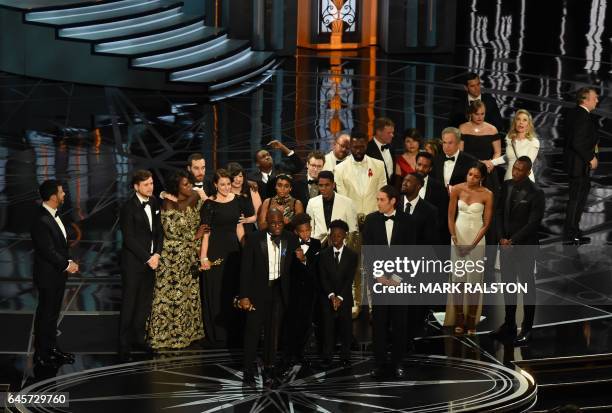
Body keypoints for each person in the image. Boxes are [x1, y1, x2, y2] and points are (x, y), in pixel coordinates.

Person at [238, 208, 300, 386]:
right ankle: (248, 370)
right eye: (273, 223)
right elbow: (245, 269)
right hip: (257, 292)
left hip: (279, 291)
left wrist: (302, 260)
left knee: (273, 333)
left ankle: (269, 367)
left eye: (280, 223)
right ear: (266, 222)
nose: (277, 226)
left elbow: (296, 267)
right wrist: (244, 296)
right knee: (253, 332)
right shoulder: (254, 239)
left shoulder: (291, 238)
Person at [148, 170, 204, 349]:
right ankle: (166, 338)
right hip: (173, 259)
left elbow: (205, 211)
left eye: (190, 183)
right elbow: (172, 234)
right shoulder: (167, 205)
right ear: (176, 187)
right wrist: (196, 236)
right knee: (172, 298)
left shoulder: (195, 197)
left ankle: (188, 333)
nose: (189, 187)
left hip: (189, 257)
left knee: (189, 296)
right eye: (185, 185)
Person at [363, 185, 414, 379]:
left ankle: (398, 362)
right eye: (377, 199)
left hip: (400, 282)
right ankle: (379, 363)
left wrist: (397, 279)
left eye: (381, 200)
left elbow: (412, 253)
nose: (378, 203)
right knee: (379, 324)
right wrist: (379, 277)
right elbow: (368, 252)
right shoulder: (371, 220)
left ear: (393, 201)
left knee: (400, 324)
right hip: (378, 281)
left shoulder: (408, 222)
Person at [492, 157, 545, 346]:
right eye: (514, 168)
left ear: (528, 171)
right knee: (508, 286)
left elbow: (533, 223)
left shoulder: (536, 193)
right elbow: (498, 213)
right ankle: (509, 324)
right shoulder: (506, 186)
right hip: (505, 246)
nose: (515, 172)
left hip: (524, 248)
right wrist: (501, 238)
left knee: (527, 288)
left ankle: (527, 329)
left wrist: (512, 241)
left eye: (520, 170)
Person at [334, 130, 387, 318]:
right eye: (354, 146)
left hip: (374, 222)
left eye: (361, 146)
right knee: (353, 265)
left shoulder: (379, 165)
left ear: (366, 145)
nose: (358, 149)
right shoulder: (340, 169)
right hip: (352, 224)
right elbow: (341, 198)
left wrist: (375, 218)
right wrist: (353, 220)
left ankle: (373, 305)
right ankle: (355, 303)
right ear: (350, 147)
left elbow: (383, 195)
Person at [199, 169, 251, 346]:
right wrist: (203, 257)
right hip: (215, 251)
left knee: (232, 289)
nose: (226, 187)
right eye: (222, 184)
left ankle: (234, 332)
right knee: (216, 291)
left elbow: (239, 228)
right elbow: (206, 233)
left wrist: (246, 250)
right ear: (215, 185)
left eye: (229, 184)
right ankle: (217, 333)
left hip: (233, 252)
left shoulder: (238, 201)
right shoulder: (209, 204)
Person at [31, 180, 79, 367]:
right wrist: (67, 264)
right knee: (45, 315)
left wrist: (67, 263)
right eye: (61, 192)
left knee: (52, 314)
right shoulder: (41, 220)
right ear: (53, 197)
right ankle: (41, 354)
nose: (64, 194)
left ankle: (52, 349)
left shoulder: (55, 215)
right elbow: (47, 250)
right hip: (48, 276)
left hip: (57, 274)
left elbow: (60, 245)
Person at [118, 170, 164, 362]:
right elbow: (129, 239)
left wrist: (158, 254)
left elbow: (159, 231)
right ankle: (123, 345)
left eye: (152, 183)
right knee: (130, 303)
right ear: (136, 187)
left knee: (144, 303)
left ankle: (138, 339)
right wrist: (148, 257)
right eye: (146, 184)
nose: (150, 187)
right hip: (134, 263)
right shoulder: (128, 208)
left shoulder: (154, 202)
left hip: (151, 262)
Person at [444, 163, 493, 335]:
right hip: (458, 236)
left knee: (473, 281)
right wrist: (455, 238)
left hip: (477, 240)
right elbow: (450, 216)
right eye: (470, 174)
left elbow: (486, 223)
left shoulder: (487, 194)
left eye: (476, 176)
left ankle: (472, 318)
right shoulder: (457, 189)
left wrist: (472, 245)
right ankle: (459, 317)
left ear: (482, 178)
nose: (471, 178)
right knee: (458, 280)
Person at [319, 219, 358, 368]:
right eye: (333, 235)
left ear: (345, 236)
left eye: (339, 236)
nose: (336, 239)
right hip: (328, 298)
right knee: (328, 328)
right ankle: (327, 355)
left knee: (346, 328)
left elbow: (349, 278)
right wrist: (331, 295)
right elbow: (323, 277)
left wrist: (340, 297)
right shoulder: (323, 255)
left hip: (344, 298)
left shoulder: (352, 255)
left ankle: (345, 355)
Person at [562, 87, 599, 245]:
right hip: (579, 165)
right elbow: (577, 142)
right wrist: (590, 157)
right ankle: (571, 233)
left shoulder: (575, 113)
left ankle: (574, 230)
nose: (597, 100)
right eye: (595, 98)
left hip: (576, 165)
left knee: (577, 199)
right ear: (585, 99)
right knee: (576, 200)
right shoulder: (582, 116)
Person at [286, 213, 322, 365]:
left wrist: (304, 260)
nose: (306, 233)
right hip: (292, 291)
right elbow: (287, 267)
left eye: (308, 230)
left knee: (306, 322)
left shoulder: (317, 244)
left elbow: (316, 268)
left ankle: (301, 353)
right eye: (302, 231)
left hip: (310, 291)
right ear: (296, 232)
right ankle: (289, 353)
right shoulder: (290, 243)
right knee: (292, 322)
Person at [306, 170, 357, 244]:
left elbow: (353, 230)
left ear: (333, 185)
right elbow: (310, 228)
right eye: (321, 185)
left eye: (327, 185)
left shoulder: (347, 203)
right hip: (319, 246)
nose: (323, 188)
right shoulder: (312, 202)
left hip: (341, 246)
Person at [490, 109, 540, 182]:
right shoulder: (509, 138)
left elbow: (525, 164)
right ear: (515, 122)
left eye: (524, 120)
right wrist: (491, 162)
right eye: (518, 119)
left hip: (524, 182)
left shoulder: (534, 142)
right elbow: (509, 157)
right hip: (508, 179)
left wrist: (514, 145)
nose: (521, 122)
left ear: (528, 125)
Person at [459, 101, 501, 176]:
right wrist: (478, 163)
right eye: (477, 114)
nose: (480, 117)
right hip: (467, 168)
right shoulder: (462, 128)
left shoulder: (492, 130)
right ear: (471, 113)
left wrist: (491, 163)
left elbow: (497, 152)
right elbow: (460, 152)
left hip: (487, 168)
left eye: (482, 114)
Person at [415, 152, 449, 244]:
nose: (421, 169)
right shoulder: (405, 182)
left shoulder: (439, 188)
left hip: (429, 239)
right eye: (419, 164)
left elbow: (442, 214)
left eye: (425, 166)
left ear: (430, 168)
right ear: (415, 164)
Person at [399, 173, 439, 245]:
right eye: (404, 180)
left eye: (409, 181)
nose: (404, 183)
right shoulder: (393, 203)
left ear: (418, 186)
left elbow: (429, 239)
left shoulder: (430, 210)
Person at [227, 162, 261, 233]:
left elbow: (259, 214)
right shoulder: (225, 193)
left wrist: (247, 220)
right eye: (234, 176)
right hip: (230, 231)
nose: (238, 179)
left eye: (240, 176)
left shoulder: (252, 190)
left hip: (250, 230)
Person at [367, 118, 396, 183]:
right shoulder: (367, 149)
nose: (392, 135)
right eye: (389, 133)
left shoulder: (391, 148)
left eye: (392, 132)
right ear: (378, 132)